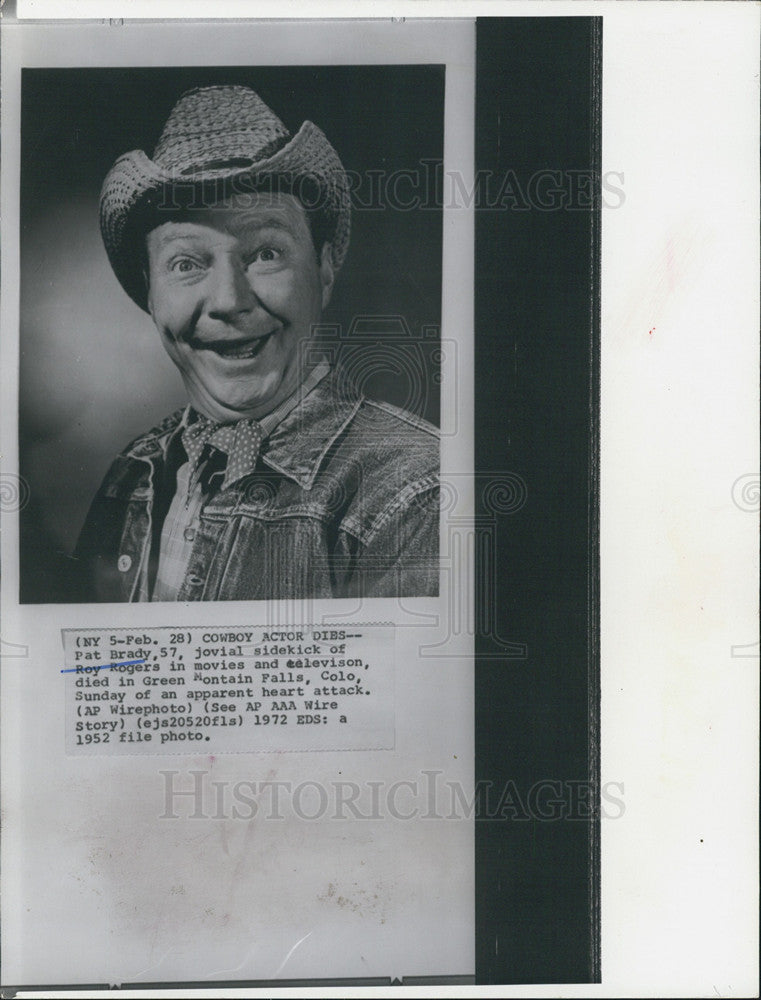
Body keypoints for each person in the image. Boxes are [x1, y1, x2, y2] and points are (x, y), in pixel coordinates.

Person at [74, 85, 439, 602]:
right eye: (185, 263)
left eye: (266, 253)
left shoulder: (416, 491)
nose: (228, 300)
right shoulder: (132, 472)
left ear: (325, 270)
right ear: (150, 293)